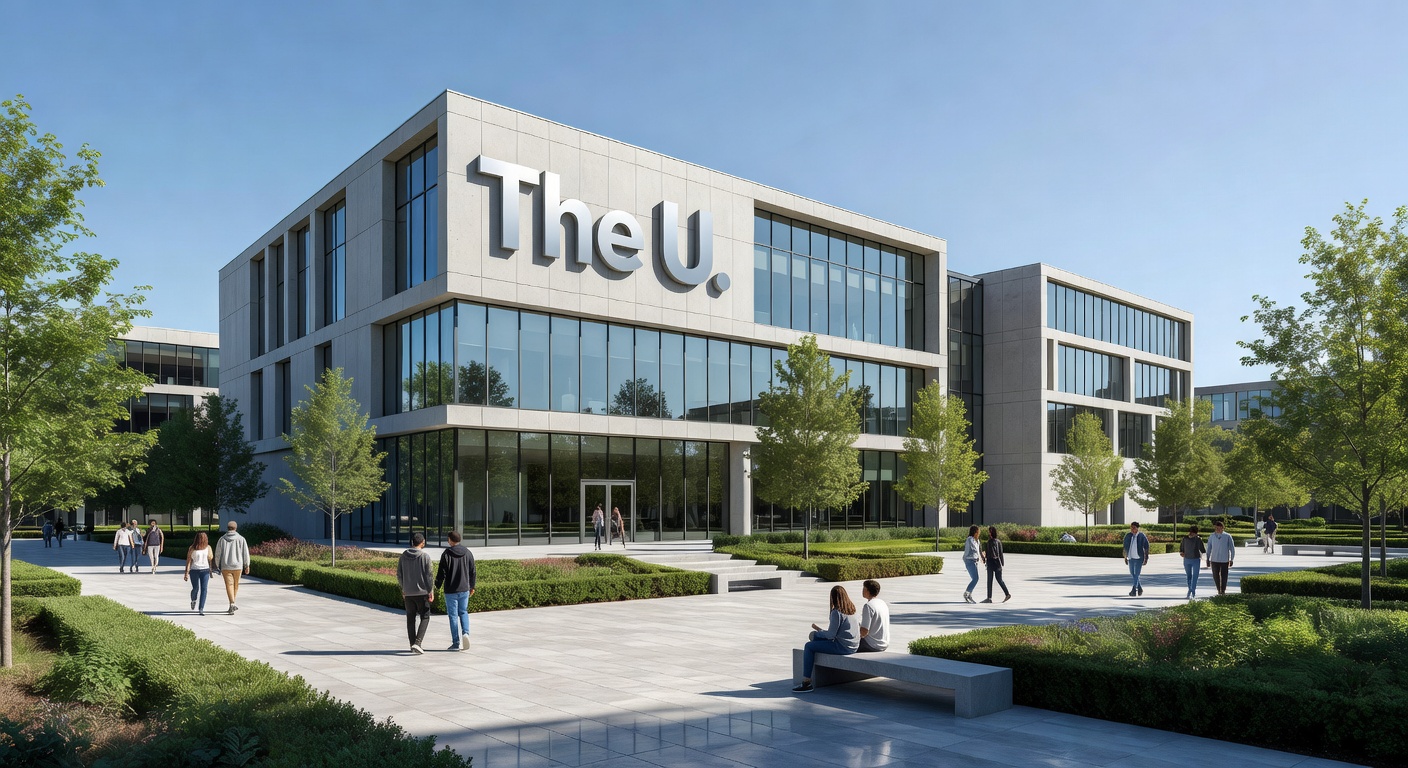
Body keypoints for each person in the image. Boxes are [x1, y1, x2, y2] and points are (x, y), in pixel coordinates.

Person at [793, 585, 860, 693]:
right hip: (854, 646)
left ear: (833, 597)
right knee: (815, 639)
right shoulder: (852, 610)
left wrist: (818, 633)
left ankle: (806, 682)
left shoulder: (836, 612)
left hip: (842, 647)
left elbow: (830, 635)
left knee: (809, 646)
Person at [435, 530, 476, 652]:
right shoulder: (468, 553)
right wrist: (472, 586)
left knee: (453, 616)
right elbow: (472, 571)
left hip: (450, 590)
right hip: (464, 588)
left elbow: (441, 572)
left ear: (450, 540)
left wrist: (437, 585)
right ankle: (466, 633)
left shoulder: (446, 554)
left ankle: (456, 642)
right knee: (463, 612)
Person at [397, 532, 435, 654]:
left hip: (408, 593)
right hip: (422, 592)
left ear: (412, 542)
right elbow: (429, 576)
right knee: (425, 616)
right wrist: (430, 590)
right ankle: (417, 643)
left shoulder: (403, 556)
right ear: (422, 542)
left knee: (410, 619)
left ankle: (412, 644)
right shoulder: (425, 557)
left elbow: (399, 574)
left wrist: (404, 588)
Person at [213, 521, 251, 615]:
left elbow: (217, 553)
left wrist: (217, 564)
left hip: (226, 566)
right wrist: (247, 565)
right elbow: (245, 553)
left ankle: (232, 604)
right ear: (236, 528)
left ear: (227, 528)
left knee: (229, 585)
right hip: (238, 566)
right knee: (235, 585)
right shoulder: (241, 539)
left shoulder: (222, 539)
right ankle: (232, 604)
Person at [981, 526, 1012, 603]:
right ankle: (1007, 594)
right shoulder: (998, 541)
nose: (989, 533)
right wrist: (1002, 563)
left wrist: (984, 559)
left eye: (989, 531)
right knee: (999, 579)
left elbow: (988, 553)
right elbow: (1001, 553)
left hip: (991, 562)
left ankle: (989, 598)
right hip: (997, 563)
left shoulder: (989, 542)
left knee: (990, 580)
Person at [184, 532, 213, 615]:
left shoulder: (208, 547)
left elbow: (210, 558)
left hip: (205, 570)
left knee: (204, 589)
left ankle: (201, 608)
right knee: (195, 588)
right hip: (194, 570)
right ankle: (193, 599)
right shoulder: (192, 548)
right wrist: (186, 572)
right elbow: (188, 561)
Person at [857, 579, 890, 652]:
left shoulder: (868, 606)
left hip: (871, 644)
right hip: (884, 643)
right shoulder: (882, 603)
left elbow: (864, 631)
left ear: (868, 591)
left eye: (864, 588)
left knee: (843, 644)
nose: (862, 590)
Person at [1206, 520, 1236, 596]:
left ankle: (1223, 590)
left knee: (1224, 576)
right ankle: (1218, 589)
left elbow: (1232, 548)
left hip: (1224, 560)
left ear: (1223, 528)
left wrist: (1231, 559)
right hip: (1214, 560)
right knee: (1215, 575)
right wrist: (1207, 558)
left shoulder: (1227, 536)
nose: (1218, 529)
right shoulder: (1212, 536)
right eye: (1216, 528)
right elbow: (1209, 548)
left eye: (1220, 528)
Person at [1123, 521, 1150, 597]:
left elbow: (1146, 546)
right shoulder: (1128, 536)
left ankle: (1134, 590)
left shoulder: (1141, 536)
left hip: (1139, 558)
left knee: (1137, 574)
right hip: (1131, 557)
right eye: (1131, 528)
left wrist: (1146, 558)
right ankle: (1140, 588)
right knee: (1133, 574)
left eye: (1134, 528)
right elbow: (1125, 547)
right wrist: (1125, 556)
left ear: (1137, 528)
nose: (1132, 529)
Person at [1181, 525, 1206, 599]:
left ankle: (1193, 590)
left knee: (1195, 576)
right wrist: (1181, 552)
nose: (1192, 534)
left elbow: (1202, 550)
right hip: (1187, 559)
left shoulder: (1198, 539)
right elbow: (1181, 548)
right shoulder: (1185, 539)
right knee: (1189, 576)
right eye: (1191, 532)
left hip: (1196, 559)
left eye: (1193, 533)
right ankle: (1190, 589)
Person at [961, 525, 981, 603]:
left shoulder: (977, 540)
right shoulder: (969, 540)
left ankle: (969, 594)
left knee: (975, 578)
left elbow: (977, 551)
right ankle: (966, 593)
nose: (979, 533)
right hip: (969, 561)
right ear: (975, 532)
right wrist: (965, 559)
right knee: (975, 579)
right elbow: (967, 551)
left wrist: (980, 557)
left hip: (975, 561)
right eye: (978, 531)